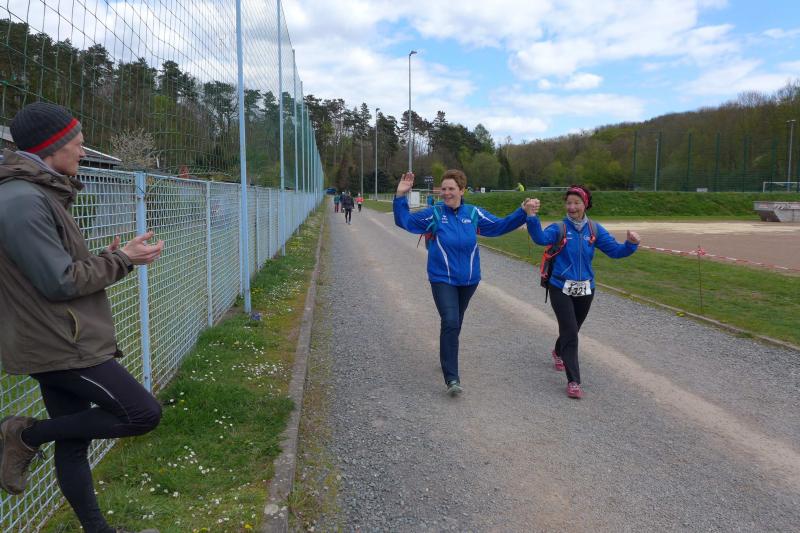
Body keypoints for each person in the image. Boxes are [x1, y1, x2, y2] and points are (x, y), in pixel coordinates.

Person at [0, 102, 165, 533]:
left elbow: (53, 269)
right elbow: (59, 282)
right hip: (59, 343)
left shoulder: (37, 192)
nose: (83, 150)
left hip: (56, 335)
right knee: (142, 414)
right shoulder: (22, 200)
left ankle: (97, 529)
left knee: (73, 440)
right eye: (78, 142)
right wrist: (123, 260)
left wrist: (112, 257)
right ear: (52, 146)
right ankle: (23, 435)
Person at [394, 169, 530, 396]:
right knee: (450, 320)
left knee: (455, 321)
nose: (446, 193)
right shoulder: (435, 213)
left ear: (462, 190)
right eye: (444, 189)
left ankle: (446, 354)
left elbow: (499, 226)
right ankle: (452, 378)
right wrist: (400, 195)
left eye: (451, 189)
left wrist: (522, 212)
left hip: (469, 280)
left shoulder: (474, 213)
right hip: (442, 278)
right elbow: (404, 221)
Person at [526, 185, 640, 399]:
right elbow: (540, 238)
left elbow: (615, 251)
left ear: (585, 204)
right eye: (569, 203)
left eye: (576, 203)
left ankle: (558, 351)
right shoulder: (559, 228)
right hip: (560, 286)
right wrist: (532, 217)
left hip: (586, 287)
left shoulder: (594, 230)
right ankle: (574, 381)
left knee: (573, 328)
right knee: (570, 330)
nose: (572, 207)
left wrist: (631, 245)